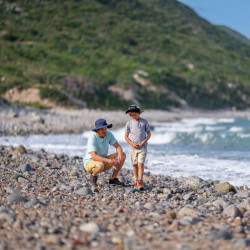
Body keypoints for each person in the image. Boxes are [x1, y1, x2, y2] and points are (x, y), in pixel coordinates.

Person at [83, 118, 126, 187]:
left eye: (105, 128)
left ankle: (113, 179)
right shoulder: (92, 138)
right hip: (90, 162)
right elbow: (94, 157)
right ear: (97, 130)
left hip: (103, 160)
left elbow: (118, 146)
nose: (104, 131)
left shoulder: (108, 134)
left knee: (123, 155)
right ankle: (93, 176)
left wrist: (120, 153)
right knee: (100, 165)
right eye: (102, 129)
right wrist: (110, 161)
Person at [125, 104, 151, 190]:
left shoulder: (144, 122)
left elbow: (149, 134)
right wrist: (132, 144)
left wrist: (144, 141)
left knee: (141, 164)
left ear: (139, 113)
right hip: (132, 148)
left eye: (135, 114)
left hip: (142, 148)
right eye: (131, 115)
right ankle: (136, 180)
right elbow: (126, 137)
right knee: (135, 165)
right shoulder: (129, 123)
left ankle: (140, 180)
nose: (133, 116)